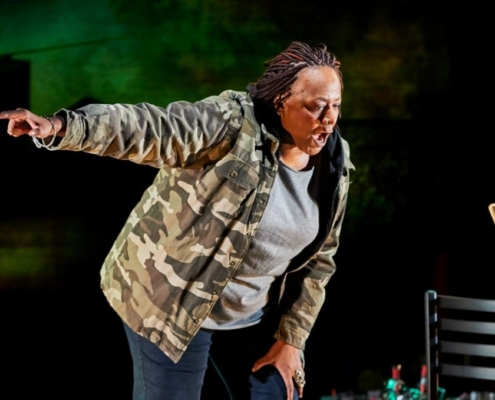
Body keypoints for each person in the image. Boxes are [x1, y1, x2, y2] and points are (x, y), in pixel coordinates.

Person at [1, 41, 353, 400]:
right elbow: (151, 127)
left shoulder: (334, 163)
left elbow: (320, 260)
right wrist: (61, 126)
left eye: (335, 107)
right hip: (170, 300)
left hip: (250, 317)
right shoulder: (231, 125)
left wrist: (292, 339)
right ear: (281, 102)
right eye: (316, 107)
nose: (329, 120)